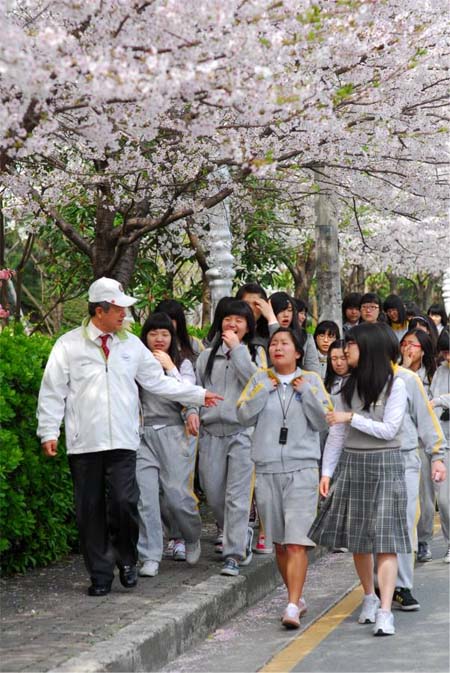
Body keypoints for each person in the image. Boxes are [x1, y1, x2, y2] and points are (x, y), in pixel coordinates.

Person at [37, 277, 221, 597]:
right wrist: (49, 430)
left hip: (123, 440)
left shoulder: (130, 345)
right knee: (89, 509)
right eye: (119, 308)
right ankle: (100, 574)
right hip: (85, 442)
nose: (126, 314)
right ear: (100, 310)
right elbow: (53, 391)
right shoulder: (68, 345)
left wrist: (197, 394)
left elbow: (158, 382)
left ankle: (127, 558)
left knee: (125, 503)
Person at [309, 323, 409, 637]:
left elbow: (389, 430)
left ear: (368, 348)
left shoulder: (396, 385)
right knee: (358, 540)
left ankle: (385, 610)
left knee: (386, 541)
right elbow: (336, 436)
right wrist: (326, 473)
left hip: (385, 463)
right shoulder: (344, 386)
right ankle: (368, 597)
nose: (344, 350)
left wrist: (352, 417)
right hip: (352, 463)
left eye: (351, 345)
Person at [236, 327, 330, 628]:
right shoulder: (259, 379)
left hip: (302, 468)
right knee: (278, 543)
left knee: (296, 542)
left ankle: (291, 604)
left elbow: (323, 421)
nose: (278, 348)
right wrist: (264, 392)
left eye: (285, 343)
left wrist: (306, 395)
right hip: (266, 469)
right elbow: (243, 415)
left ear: (298, 352)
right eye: (274, 343)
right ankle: (296, 596)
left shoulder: (312, 381)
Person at [187, 300, 267, 576]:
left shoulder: (255, 354)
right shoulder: (205, 357)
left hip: (242, 434)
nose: (232, 325)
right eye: (227, 319)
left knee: (237, 496)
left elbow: (257, 385)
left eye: (239, 320)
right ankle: (239, 529)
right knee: (213, 493)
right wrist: (191, 412)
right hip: (210, 434)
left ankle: (233, 553)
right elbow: (194, 390)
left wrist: (238, 351)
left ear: (248, 326)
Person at [376, 323, 446, 609]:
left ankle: (402, 585)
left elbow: (426, 418)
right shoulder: (361, 379)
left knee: (405, 522)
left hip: (405, 458)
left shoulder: (408, 379)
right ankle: (377, 588)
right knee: (374, 527)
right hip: (370, 461)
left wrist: (437, 454)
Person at [136, 313, 203, 577]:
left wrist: (169, 367)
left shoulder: (182, 363)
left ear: (172, 338)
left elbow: (189, 392)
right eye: (153, 334)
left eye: (165, 334)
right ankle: (150, 554)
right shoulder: (138, 362)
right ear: (146, 337)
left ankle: (191, 535)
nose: (159, 339)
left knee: (177, 495)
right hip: (142, 435)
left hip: (174, 434)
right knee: (146, 498)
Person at [427, 329, 450, 562]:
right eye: (445, 352)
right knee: (443, 500)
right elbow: (430, 402)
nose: (449, 357)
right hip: (444, 442)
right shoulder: (440, 372)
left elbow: (437, 400)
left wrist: (441, 400)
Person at [269, 292, 321, 375]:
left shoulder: (305, 336)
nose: (286, 315)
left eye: (290, 310)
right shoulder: (262, 338)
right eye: (281, 310)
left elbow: (314, 372)